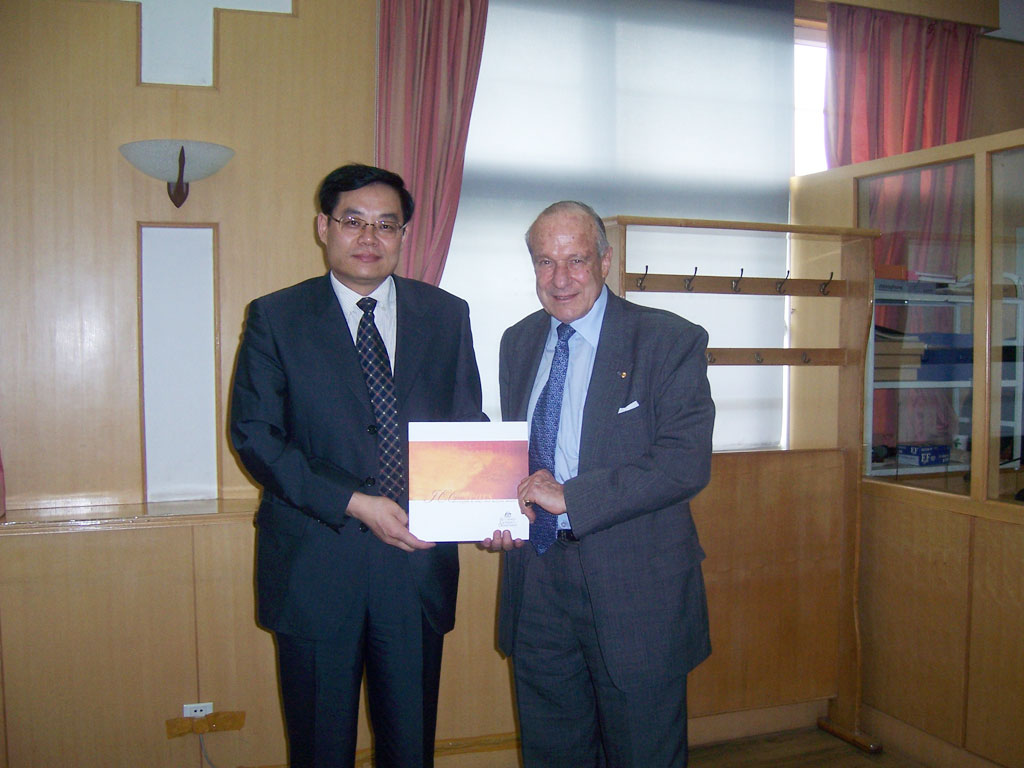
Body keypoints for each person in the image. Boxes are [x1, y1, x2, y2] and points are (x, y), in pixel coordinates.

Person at [230, 163, 485, 768]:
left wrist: (490, 507)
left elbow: (465, 426)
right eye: (353, 221)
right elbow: (257, 437)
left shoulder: (446, 314)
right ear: (324, 227)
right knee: (320, 749)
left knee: (410, 747)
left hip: (415, 564)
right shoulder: (277, 317)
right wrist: (353, 501)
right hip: (317, 566)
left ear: (404, 235)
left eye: (386, 225)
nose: (370, 237)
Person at [484, 201, 715, 767]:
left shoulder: (667, 339)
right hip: (538, 581)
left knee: (643, 753)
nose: (560, 278)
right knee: (552, 752)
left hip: (635, 585)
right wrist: (499, 513)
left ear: (605, 262)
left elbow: (685, 462)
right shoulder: (518, 341)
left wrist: (572, 498)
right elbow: (523, 454)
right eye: (545, 262)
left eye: (576, 260)